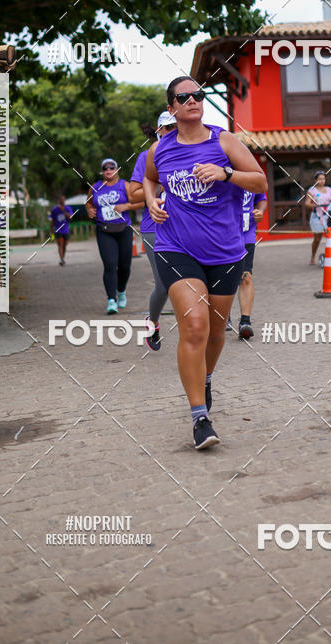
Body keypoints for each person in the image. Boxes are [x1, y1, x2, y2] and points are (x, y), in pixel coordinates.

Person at [143, 76, 267, 450]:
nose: (194, 100)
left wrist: (226, 173)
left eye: (199, 95)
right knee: (194, 326)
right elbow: (149, 180)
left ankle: (206, 377)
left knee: (215, 331)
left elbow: (260, 182)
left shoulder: (224, 141)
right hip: (176, 248)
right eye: (185, 96)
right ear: (172, 107)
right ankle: (200, 417)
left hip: (226, 252)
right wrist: (151, 200)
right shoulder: (160, 150)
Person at [128, 111, 176, 350]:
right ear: (159, 131)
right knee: (165, 285)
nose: (171, 132)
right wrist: (157, 186)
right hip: (155, 229)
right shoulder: (147, 156)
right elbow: (133, 193)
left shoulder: (189, 153)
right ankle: (153, 322)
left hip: (186, 228)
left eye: (175, 127)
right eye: (166, 128)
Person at [86, 158, 144, 314]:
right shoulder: (96, 187)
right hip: (104, 230)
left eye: (112, 167)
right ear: (102, 171)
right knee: (110, 265)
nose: (108, 170)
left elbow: (142, 202)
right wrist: (89, 210)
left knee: (124, 266)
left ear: (117, 169)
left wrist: (126, 206)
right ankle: (111, 300)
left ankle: (121, 290)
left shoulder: (124, 185)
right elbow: (89, 203)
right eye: (105, 168)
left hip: (124, 229)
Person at [234, 190, 267, 339]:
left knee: (245, 277)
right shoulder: (222, 172)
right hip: (222, 236)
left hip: (246, 235)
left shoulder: (254, 175)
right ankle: (222, 317)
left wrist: (260, 210)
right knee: (222, 278)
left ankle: (245, 322)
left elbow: (261, 198)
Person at [304, 171, 331, 264]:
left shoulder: (330, 190)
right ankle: (313, 256)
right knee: (317, 239)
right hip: (316, 217)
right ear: (315, 180)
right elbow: (307, 203)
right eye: (320, 179)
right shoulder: (312, 190)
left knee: (330, 237)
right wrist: (314, 205)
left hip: (327, 216)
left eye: (323, 179)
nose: (322, 181)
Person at [49, 194, 74, 266]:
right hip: (58, 229)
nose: (63, 201)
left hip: (66, 229)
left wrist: (63, 211)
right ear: (59, 201)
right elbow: (52, 220)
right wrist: (51, 231)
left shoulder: (68, 208)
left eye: (64, 199)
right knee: (60, 244)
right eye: (61, 200)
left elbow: (71, 217)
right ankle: (62, 259)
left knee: (65, 245)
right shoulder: (54, 209)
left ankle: (63, 258)